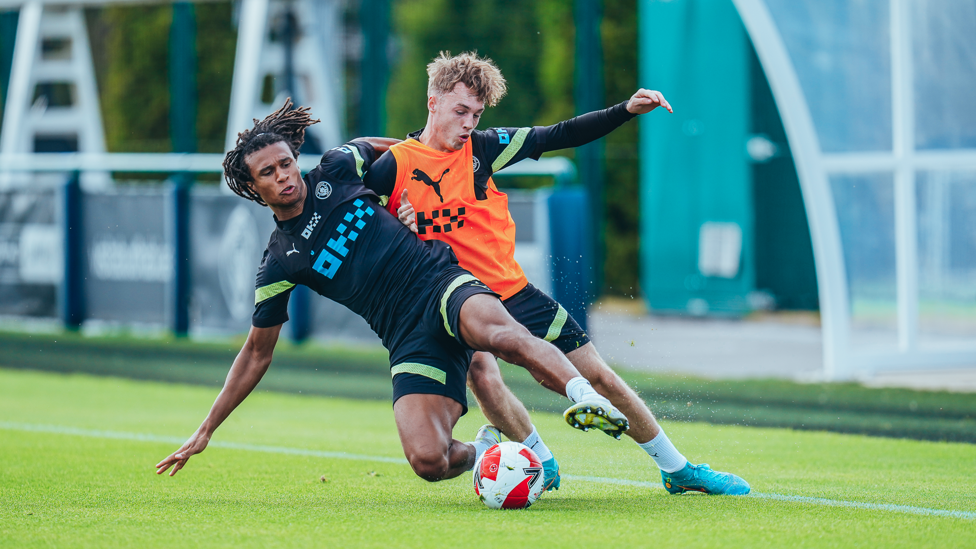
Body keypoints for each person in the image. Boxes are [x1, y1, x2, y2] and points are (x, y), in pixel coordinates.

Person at [155, 99, 628, 484]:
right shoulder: (279, 263)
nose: (283, 175)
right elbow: (257, 354)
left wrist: (413, 193)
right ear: (254, 189)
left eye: (285, 163)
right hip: (404, 336)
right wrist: (206, 428)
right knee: (429, 461)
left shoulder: (339, 167)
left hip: (438, 282)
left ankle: (586, 397)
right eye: (269, 173)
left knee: (502, 335)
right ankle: (488, 452)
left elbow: (411, 151)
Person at [363, 52, 750, 495]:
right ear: (432, 103)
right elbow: (358, 217)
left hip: (511, 292)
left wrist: (623, 111)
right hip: (447, 301)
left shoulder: (483, 149)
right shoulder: (393, 166)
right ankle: (541, 460)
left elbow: (558, 134)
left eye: (476, 114)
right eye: (460, 111)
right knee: (484, 376)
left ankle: (677, 469)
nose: (469, 123)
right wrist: (394, 222)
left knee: (598, 376)